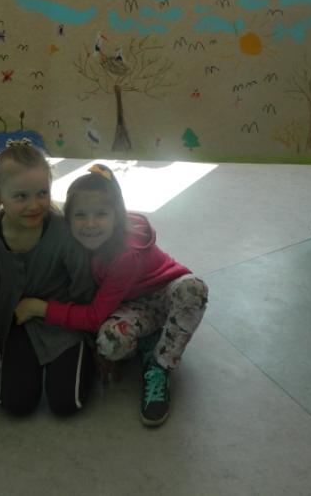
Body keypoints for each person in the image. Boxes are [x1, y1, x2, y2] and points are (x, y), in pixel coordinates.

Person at [14, 164, 209, 427]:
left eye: (101, 214)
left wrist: (41, 308)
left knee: (193, 288)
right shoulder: (73, 239)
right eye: (80, 215)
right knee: (109, 341)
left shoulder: (125, 255)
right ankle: (148, 339)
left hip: (164, 295)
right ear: (68, 219)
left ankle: (159, 365)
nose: (90, 224)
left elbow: (94, 316)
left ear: (117, 216)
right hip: (126, 305)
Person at [0, 141, 97, 417]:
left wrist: (85, 331)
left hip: (64, 323)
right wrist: (2, 334)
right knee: (15, 404)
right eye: (21, 196)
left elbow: (84, 288)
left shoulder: (65, 234)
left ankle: (85, 355)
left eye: (43, 193)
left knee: (66, 404)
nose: (34, 205)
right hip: (18, 324)